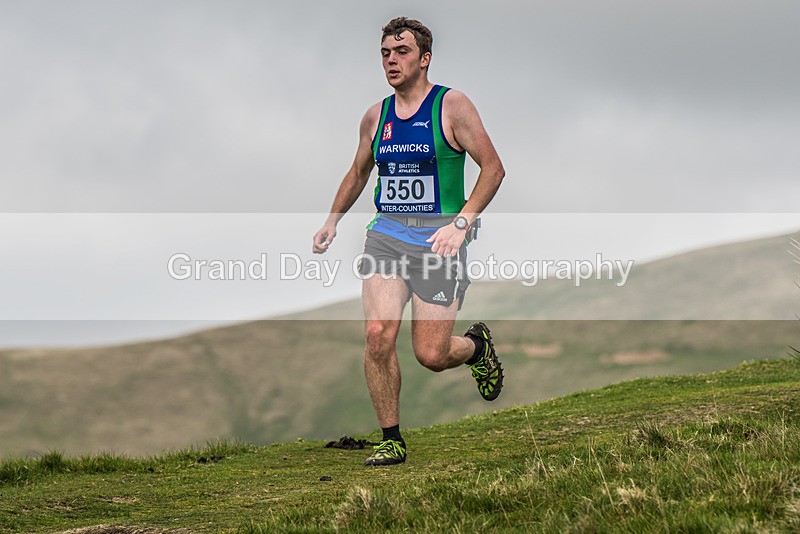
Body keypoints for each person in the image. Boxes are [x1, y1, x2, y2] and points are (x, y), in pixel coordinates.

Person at [313, 16, 505, 466]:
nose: (392, 61)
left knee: (431, 354)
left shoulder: (451, 107)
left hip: (439, 242)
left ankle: (477, 348)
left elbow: (493, 169)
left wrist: (460, 225)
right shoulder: (375, 116)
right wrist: (332, 220)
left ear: (425, 58)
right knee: (378, 334)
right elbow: (360, 171)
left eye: (401, 52)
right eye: (385, 53)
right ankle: (391, 438)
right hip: (387, 236)